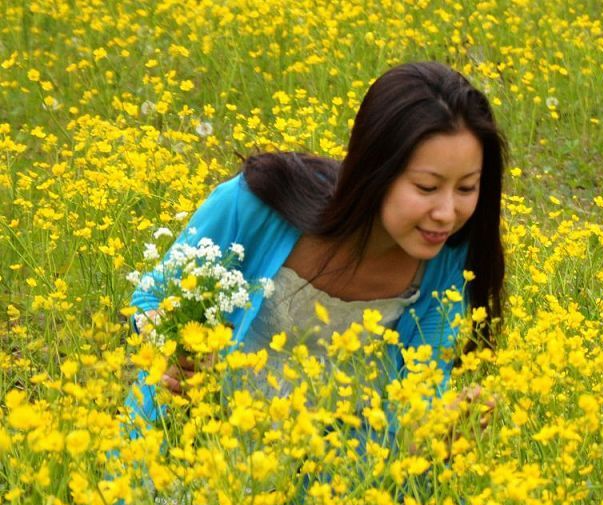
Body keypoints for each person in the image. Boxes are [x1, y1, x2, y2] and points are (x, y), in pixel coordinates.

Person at [127, 61, 506, 429]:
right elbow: (151, 301)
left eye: (466, 188)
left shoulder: (448, 262)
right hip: (199, 443)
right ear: (375, 171)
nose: (446, 212)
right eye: (427, 187)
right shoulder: (255, 205)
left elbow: (414, 404)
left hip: (336, 475)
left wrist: (441, 430)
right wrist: (170, 347)